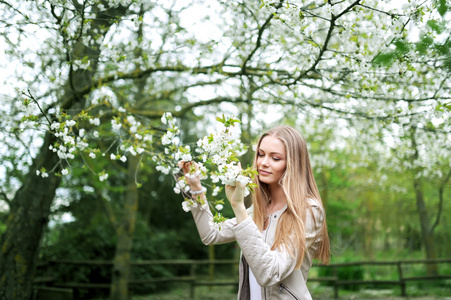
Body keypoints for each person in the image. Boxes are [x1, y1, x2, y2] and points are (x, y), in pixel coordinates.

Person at [179, 126, 330, 300]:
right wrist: (196, 188)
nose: (263, 162)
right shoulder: (258, 210)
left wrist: (238, 206)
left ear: (293, 164)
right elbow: (211, 234)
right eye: (261, 154)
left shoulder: (308, 211)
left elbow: (270, 273)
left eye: (275, 158)